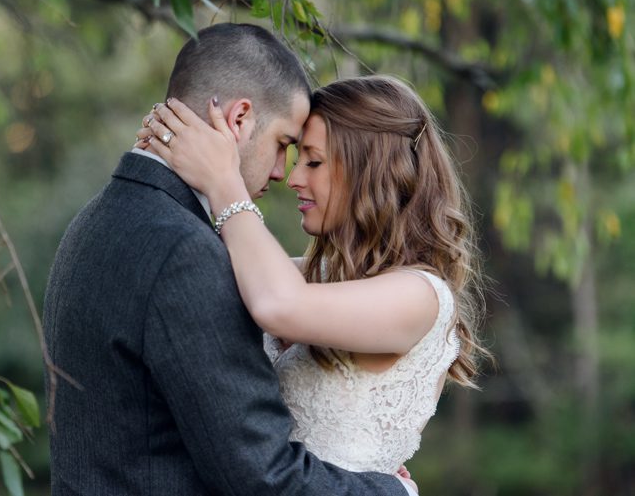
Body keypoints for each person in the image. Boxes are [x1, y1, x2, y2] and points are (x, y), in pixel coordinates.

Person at [43, 24, 412, 495]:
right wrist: (392, 492)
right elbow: (262, 476)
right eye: (283, 144)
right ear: (239, 119)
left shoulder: (96, 219)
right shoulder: (184, 254)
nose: (282, 172)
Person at [138, 74, 488, 480]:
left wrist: (224, 181)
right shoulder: (320, 276)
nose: (294, 179)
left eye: (314, 161)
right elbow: (213, 271)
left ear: (371, 170)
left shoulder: (419, 296)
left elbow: (275, 304)